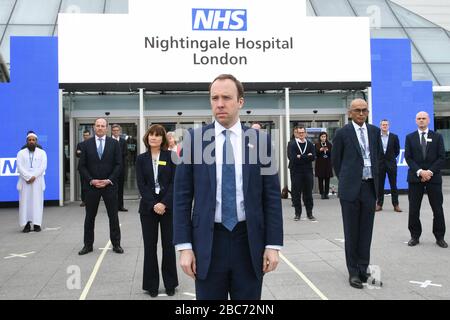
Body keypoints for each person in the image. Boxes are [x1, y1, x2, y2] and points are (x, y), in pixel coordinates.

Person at [173, 74, 283, 300]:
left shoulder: (261, 141)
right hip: (208, 243)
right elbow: (182, 197)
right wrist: (184, 246)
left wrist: (273, 244)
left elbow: (271, 197)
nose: (220, 104)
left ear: (240, 101)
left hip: (249, 241)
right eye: (214, 98)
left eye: (226, 97)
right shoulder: (194, 140)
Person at [331, 98, 382, 289]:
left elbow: (377, 157)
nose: (361, 113)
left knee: (366, 232)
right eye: (357, 110)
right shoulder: (342, 133)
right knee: (351, 232)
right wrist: (347, 179)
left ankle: (364, 269)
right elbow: (336, 161)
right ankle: (353, 272)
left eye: (364, 110)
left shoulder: (374, 132)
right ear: (350, 113)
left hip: (369, 187)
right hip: (351, 189)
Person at [136, 124, 179, 297]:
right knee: (149, 247)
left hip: (167, 209)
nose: (153, 137)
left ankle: (170, 283)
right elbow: (141, 184)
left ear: (163, 139)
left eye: (157, 135)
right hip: (148, 209)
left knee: (169, 247)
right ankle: (151, 285)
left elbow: (175, 183)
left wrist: (164, 203)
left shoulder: (172, 156)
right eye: (151, 135)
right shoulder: (141, 159)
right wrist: (154, 203)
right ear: (147, 138)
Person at [78, 118, 124, 255]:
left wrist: (109, 180)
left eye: (102, 126)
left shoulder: (114, 144)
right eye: (97, 126)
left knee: (113, 216)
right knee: (90, 217)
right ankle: (87, 245)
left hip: (109, 186)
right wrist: (92, 180)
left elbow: (119, 164)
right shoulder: (85, 144)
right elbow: (82, 166)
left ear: (107, 128)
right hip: (92, 187)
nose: (100, 128)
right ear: (94, 127)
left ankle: (116, 244)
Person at [404, 111, 447, 248]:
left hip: (433, 178)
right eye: (419, 118)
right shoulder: (409, 137)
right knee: (414, 209)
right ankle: (414, 236)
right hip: (415, 179)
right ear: (416, 121)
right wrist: (420, 172)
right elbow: (408, 158)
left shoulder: (437, 137)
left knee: (437, 209)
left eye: (424, 118)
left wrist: (429, 172)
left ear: (428, 120)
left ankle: (440, 237)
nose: (421, 120)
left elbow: (441, 157)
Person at [16, 132, 47, 233]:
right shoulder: (21, 153)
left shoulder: (42, 153)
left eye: (33, 140)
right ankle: (26, 224)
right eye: (29, 140)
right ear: (26, 141)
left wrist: (34, 176)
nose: (31, 142)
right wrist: (28, 177)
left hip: (37, 181)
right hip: (25, 183)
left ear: (36, 141)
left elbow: (43, 167)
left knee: (37, 203)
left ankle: (37, 224)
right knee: (25, 203)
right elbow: (19, 167)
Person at [287, 126, 316, 221]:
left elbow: (313, 157)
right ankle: (297, 213)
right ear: (296, 133)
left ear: (305, 133)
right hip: (296, 171)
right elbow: (293, 158)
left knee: (308, 193)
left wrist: (300, 156)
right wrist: (306, 157)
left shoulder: (310, 144)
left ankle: (309, 213)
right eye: (299, 132)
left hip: (307, 171)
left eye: (303, 132)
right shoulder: (291, 144)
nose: (301, 134)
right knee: (296, 192)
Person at [376, 120, 402, 212]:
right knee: (380, 185)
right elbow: (374, 150)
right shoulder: (376, 137)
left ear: (389, 126)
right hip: (380, 164)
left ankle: (396, 205)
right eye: (383, 125)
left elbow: (397, 150)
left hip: (391, 164)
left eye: (386, 125)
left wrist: (390, 158)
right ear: (380, 126)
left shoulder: (394, 137)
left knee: (393, 185)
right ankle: (379, 204)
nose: (385, 126)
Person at [111, 124, 128, 212]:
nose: (116, 132)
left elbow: (125, 153)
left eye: (117, 130)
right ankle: (112, 207)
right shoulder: (108, 141)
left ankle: (120, 206)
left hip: (121, 169)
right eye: (114, 130)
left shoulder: (123, 141)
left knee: (120, 188)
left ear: (120, 131)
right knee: (112, 189)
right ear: (112, 131)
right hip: (111, 169)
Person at [315, 132, 333, 200]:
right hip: (320, 164)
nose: (323, 138)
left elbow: (332, 154)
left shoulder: (329, 144)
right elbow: (315, 154)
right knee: (320, 180)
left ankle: (326, 193)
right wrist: (320, 150)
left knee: (327, 180)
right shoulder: (317, 145)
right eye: (322, 137)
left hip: (327, 164)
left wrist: (327, 151)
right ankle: (322, 193)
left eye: (324, 137)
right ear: (320, 137)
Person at [76, 130, 91, 207]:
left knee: (91, 184)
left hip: (91, 168)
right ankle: (83, 201)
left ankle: (91, 200)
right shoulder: (80, 144)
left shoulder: (93, 143)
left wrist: (82, 153)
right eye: (85, 135)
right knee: (83, 185)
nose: (86, 136)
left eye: (87, 135)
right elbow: (77, 154)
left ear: (89, 135)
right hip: (82, 168)